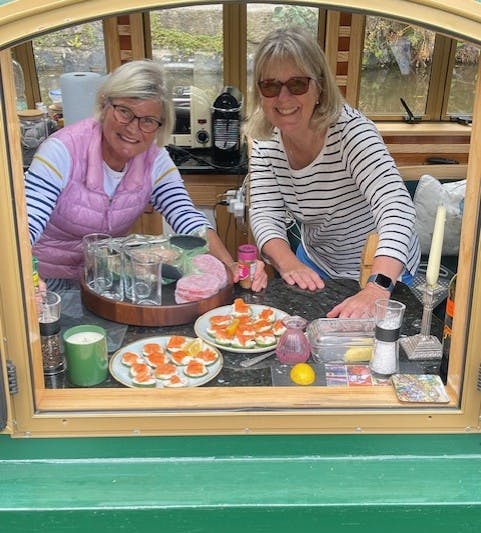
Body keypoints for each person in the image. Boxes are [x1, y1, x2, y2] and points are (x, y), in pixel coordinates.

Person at [26, 59, 267, 293]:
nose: (133, 128)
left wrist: (228, 266)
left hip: (106, 278)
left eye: (148, 121)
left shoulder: (154, 158)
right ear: (104, 104)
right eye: (124, 112)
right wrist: (26, 280)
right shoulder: (61, 151)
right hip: (49, 281)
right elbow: (27, 223)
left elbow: (184, 214)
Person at [247, 27, 420, 318]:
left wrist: (377, 287)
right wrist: (288, 263)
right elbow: (265, 213)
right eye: (271, 86)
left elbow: (396, 208)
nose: (284, 98)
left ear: (320, 87)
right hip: (316, 261)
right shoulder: (265, 140)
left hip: (380, 269)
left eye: (298, 84)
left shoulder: (352, 133)